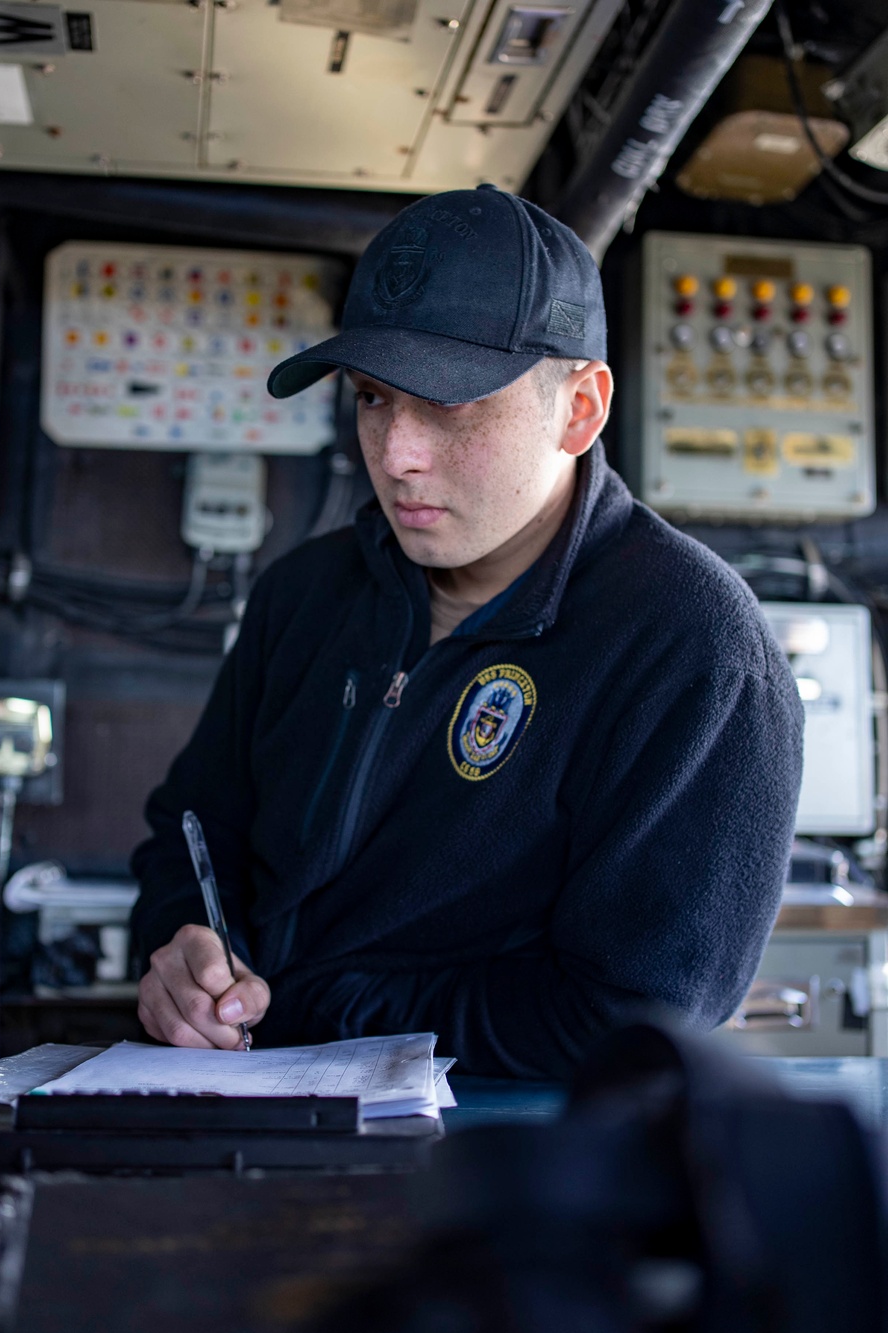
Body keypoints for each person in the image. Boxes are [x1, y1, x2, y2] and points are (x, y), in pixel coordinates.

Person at [130, 184, 803, 1079]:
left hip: (503, 1178)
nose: (397, 454)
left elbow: (635, 1014)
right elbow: (190, 834)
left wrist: (305, 1005)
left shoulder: (693, 650)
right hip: (251, 1117)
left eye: (449, 406)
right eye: (372, 398)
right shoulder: (304, 594)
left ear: (580, 410)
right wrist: (183, 952)